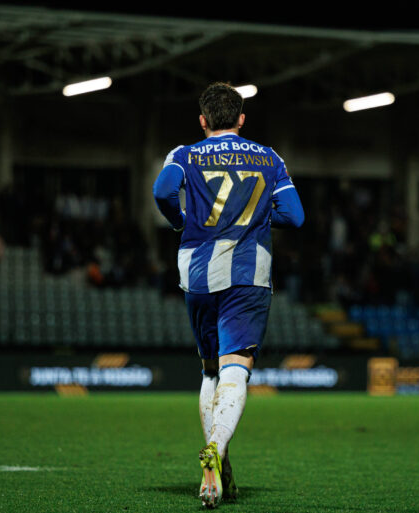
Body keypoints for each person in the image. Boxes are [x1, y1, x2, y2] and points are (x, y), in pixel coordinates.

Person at [152, 82, 304, 508]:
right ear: (241, 119)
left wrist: (181, 220)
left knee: (209, 371)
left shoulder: (183, 154)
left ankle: (216, 473)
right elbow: (295, 215)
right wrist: (257, 214)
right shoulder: (269, 157)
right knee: (237, 365)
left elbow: (162, 192)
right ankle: (216, 449)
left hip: (197, 271)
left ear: (202, 121)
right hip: (248, 272)